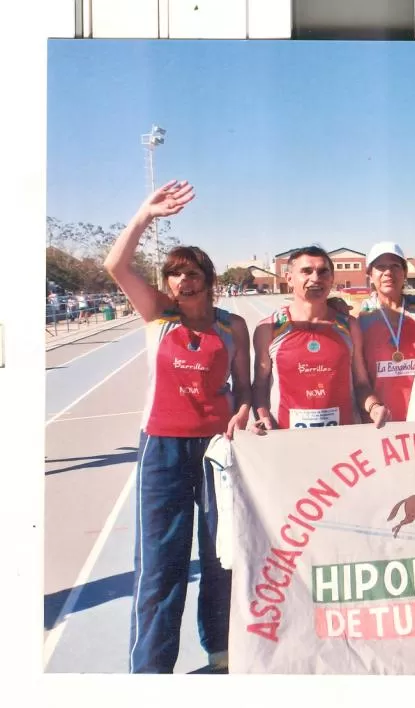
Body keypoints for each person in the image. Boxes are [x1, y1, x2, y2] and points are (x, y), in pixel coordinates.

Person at [103, 180, 252, 673]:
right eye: (173, 274)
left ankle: (222, 654)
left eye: (191, 273)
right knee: (159, 567)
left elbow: (245, 387)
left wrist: (244, 408)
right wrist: (145, 213)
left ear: (208, 278)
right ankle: (150, 673)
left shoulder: (233, 326)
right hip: (162, 451)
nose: (183, 281)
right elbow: (115, 266)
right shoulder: (158, 317)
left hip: (216, 452)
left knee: (220, 559)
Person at [250, 246, 388, 431]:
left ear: (331, 279)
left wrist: (374, 408)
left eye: (323, 272)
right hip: (287, 442)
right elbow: (260, 385)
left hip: (342, 442)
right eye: (306, 271)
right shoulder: (269, 329)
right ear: (289, 279)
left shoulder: (349, 326)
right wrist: (263, 418)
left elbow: (361, 383)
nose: (316, 278)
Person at [356, 242, 415, 422]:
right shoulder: (359, 314)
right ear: (370, 274)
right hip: (377, 419)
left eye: (395, 266)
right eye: (380, 266)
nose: (388, 272)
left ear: (404, 272)